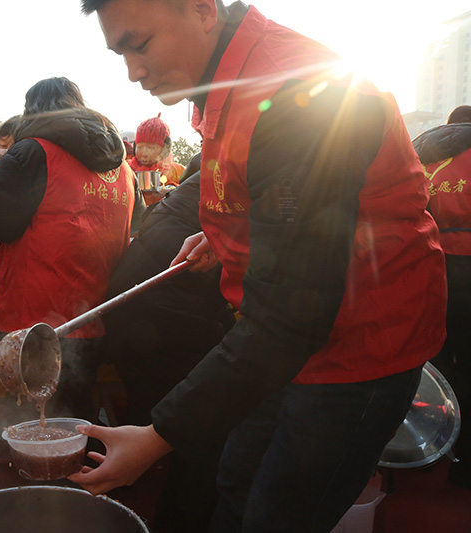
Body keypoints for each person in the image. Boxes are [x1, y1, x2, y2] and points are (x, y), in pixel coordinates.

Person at [71, 1, 447, 531]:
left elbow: (294, 312)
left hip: (359, 345)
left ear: (202, 10)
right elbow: (285, 200)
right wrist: (226, 235)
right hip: (282, 344)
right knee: (237, 483)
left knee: (281, 513)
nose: (134, 71)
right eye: (120, 54)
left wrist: (157, 437)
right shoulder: (223, 83)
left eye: (141, 44)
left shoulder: (298, 93)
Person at [0, 77, 138, 421]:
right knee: (76, 413)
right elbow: (136, 227)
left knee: (32, 421)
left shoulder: (33, 152)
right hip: (94, 319)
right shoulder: (122, 168)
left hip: (32, 324)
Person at [102, 169, 235, 531]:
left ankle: (133, 509)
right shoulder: (247, 175)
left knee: (152, 423)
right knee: (201, 435)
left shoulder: (203, 180)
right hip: (158, 321)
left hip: (134, 313)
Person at [412, 104, 471, 487]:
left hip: (424, 269)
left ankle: (430, 449)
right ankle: (465, 465)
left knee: (431, 361)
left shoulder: (418, 151)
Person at [130, 114, 185, 187]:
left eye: (150, 148)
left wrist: (174, 189)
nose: (144, 154)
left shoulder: (178, 171)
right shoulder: (127, 170)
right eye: (140, 147)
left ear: (164, 149)